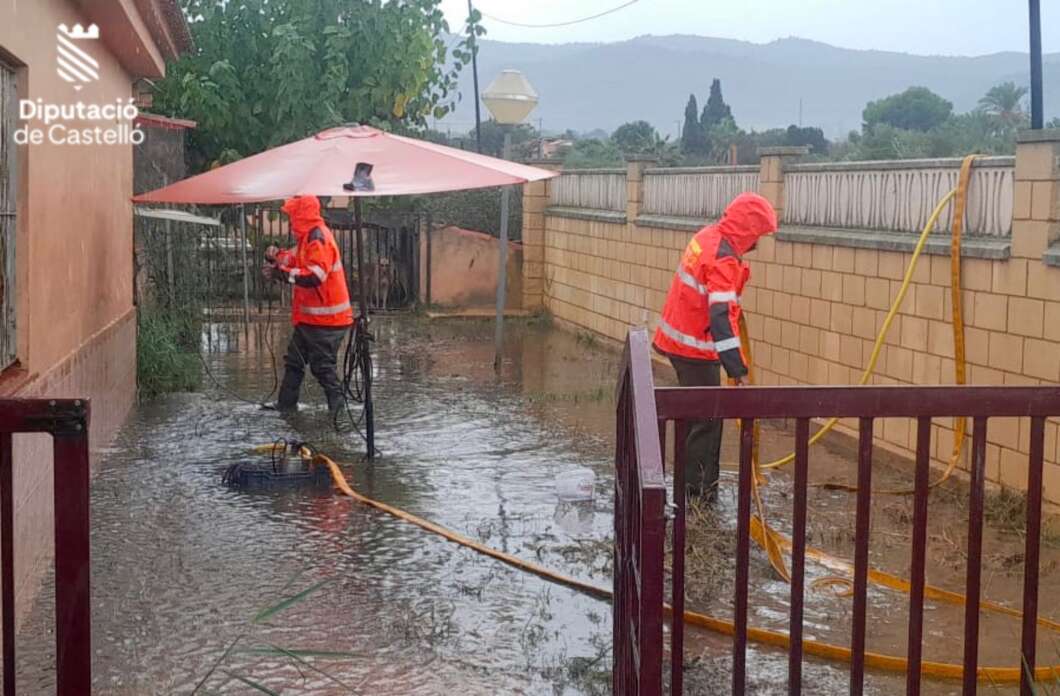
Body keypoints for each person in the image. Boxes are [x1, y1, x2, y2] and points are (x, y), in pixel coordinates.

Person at [652, 192, 778, 497]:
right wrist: (738, 370)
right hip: (694, 348)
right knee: (706, 421)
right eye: (758, 234)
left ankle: (694, 489)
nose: (759, 242)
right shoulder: (723, 258)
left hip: (681, 340)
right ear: (748, 229)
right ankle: (697, 496)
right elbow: (720, 317)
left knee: (700, 419)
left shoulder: (709, 236)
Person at [263, 195, 353, 415]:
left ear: (302, 215)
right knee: (295, 361)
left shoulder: (317, 238)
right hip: (312, 319)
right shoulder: (308, 237)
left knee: (322, 367)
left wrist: (280, 273)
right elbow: (296, 261)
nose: (291, 221)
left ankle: (339, 411)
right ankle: (286, 405)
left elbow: (314, 276)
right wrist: (277, 258)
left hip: (327, 321)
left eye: (293, 216)